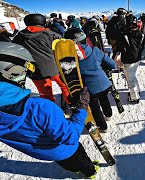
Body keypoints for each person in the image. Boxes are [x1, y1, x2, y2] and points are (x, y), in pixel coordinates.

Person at [0, 41, 99, 178]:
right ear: (11, 72)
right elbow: (70, 137)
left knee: (66, 162)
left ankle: (76, 169)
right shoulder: (39, 108)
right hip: (65, 150)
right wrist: (82, 109)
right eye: (24, 72)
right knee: (80, 159)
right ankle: (90, 172)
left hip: (42, 153)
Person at [13, 13, 71, 110]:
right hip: (55, 68)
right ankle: (71, 105)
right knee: (65, 87)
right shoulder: (52, 35)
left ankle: (50, 111)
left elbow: (15, 50)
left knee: (45, 94)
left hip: (34, 70)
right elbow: (64, 49)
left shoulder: (19, 36)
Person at [64, 27, 116, 130]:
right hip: (104, 83)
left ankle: (103, 126)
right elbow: (112, 64)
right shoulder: (95, 50)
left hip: (89, 88)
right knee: (104, 99)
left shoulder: (71, 59)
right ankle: (108, 114)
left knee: (95, 107)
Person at [118, 14, 144, 102]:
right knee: (132, 76)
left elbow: (120, 47)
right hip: (137, 58)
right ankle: (137, 91)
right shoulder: (139, 32)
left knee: (130, 79)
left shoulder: (125, 34)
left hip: (129, 59)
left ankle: (134, 97)